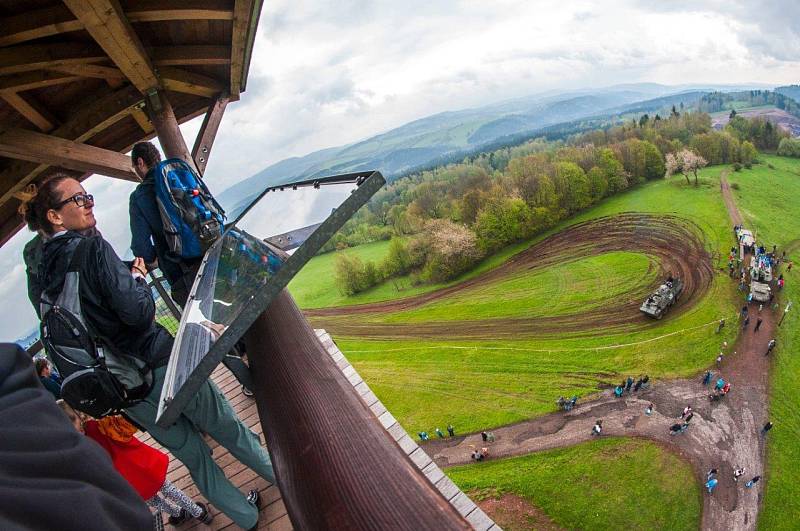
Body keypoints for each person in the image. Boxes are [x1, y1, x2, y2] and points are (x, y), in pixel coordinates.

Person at [23, 176, 273, 531]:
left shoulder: (44, 275)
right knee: (229, 429)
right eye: (79, 199)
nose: (89, 203)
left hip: (124, 388)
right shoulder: (91, 249)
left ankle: (246, 518)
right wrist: (138, 277)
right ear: (55, 216)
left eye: (88, 196)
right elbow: (137, 312)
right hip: (158, 364)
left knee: (195, 457)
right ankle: (294, 484)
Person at [128, 142, 253, 396]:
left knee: (211, 330)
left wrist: (152, 257)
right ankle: (268, 360)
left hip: (183, 273)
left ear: (140, 163)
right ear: (158, 157)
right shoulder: (178, 174)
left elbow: (142, 248)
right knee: (238, 310)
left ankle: (251, 382)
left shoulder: (139, 197)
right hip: (215, 254)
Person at [60, 404, 211, 526]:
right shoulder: (100, 424)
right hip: (139, 464)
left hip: (123, 481)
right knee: (167, 488)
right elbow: (127, 427)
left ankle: (177, 513)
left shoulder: (74, 449)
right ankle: (199, 512)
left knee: (152, 499)